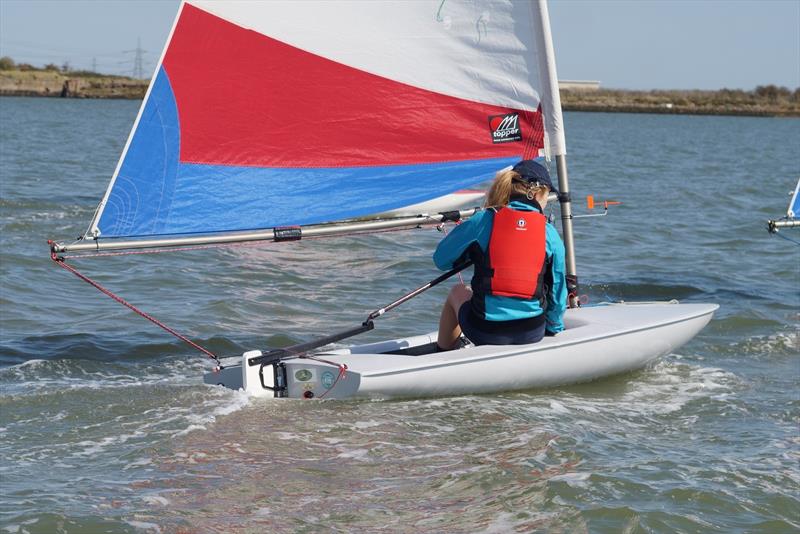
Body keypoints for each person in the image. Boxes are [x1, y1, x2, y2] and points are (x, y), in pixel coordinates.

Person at [433, 159, 567, 350]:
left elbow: (440, 260)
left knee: (458, 291)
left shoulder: (482, 220)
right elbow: (557, 292)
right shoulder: (550, 234)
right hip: (532, 332)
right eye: (548, 195)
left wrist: (472, 252)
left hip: (484, 331)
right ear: (537, 193)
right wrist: (553, 328)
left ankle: (443, 352)